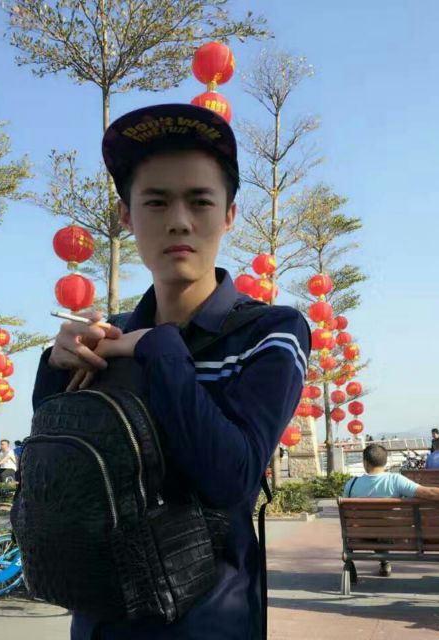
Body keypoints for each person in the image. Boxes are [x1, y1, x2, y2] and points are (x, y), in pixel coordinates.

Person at [32, 103, 310, 640]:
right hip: (99, 620)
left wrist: (159, 349)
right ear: (126, 215)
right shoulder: (109, 337)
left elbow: (230, 480)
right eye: (156, 201)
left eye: (200, 201)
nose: (179, 220)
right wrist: (54, 367)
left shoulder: (271, 331)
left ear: (229, 215)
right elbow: (62, 478)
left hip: (209, 623)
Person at [343, 444, 439, 576]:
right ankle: (384, 560)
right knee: (384, 528)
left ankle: (384, 561)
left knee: (373, 527)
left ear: (365, 462)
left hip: (362, 534)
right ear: (385, 462)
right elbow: (430, 493)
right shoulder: (395, 480)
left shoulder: (351, 484)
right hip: (393, 535)